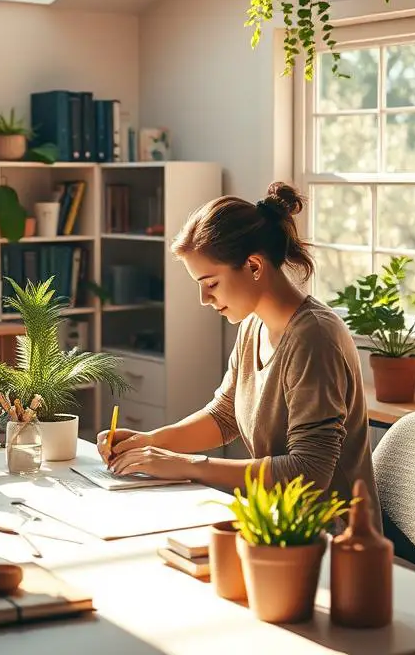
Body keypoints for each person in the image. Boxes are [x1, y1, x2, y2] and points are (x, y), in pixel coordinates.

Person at [97, 181, 381, 527]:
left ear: (254, 266)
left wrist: (188, 466)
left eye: (211, 283)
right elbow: (225, 416)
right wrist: (148, 443)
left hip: (331, 540)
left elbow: (309, 473)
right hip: (273, 523)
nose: (204, 299)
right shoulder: (253, 325)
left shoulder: (314, 338)